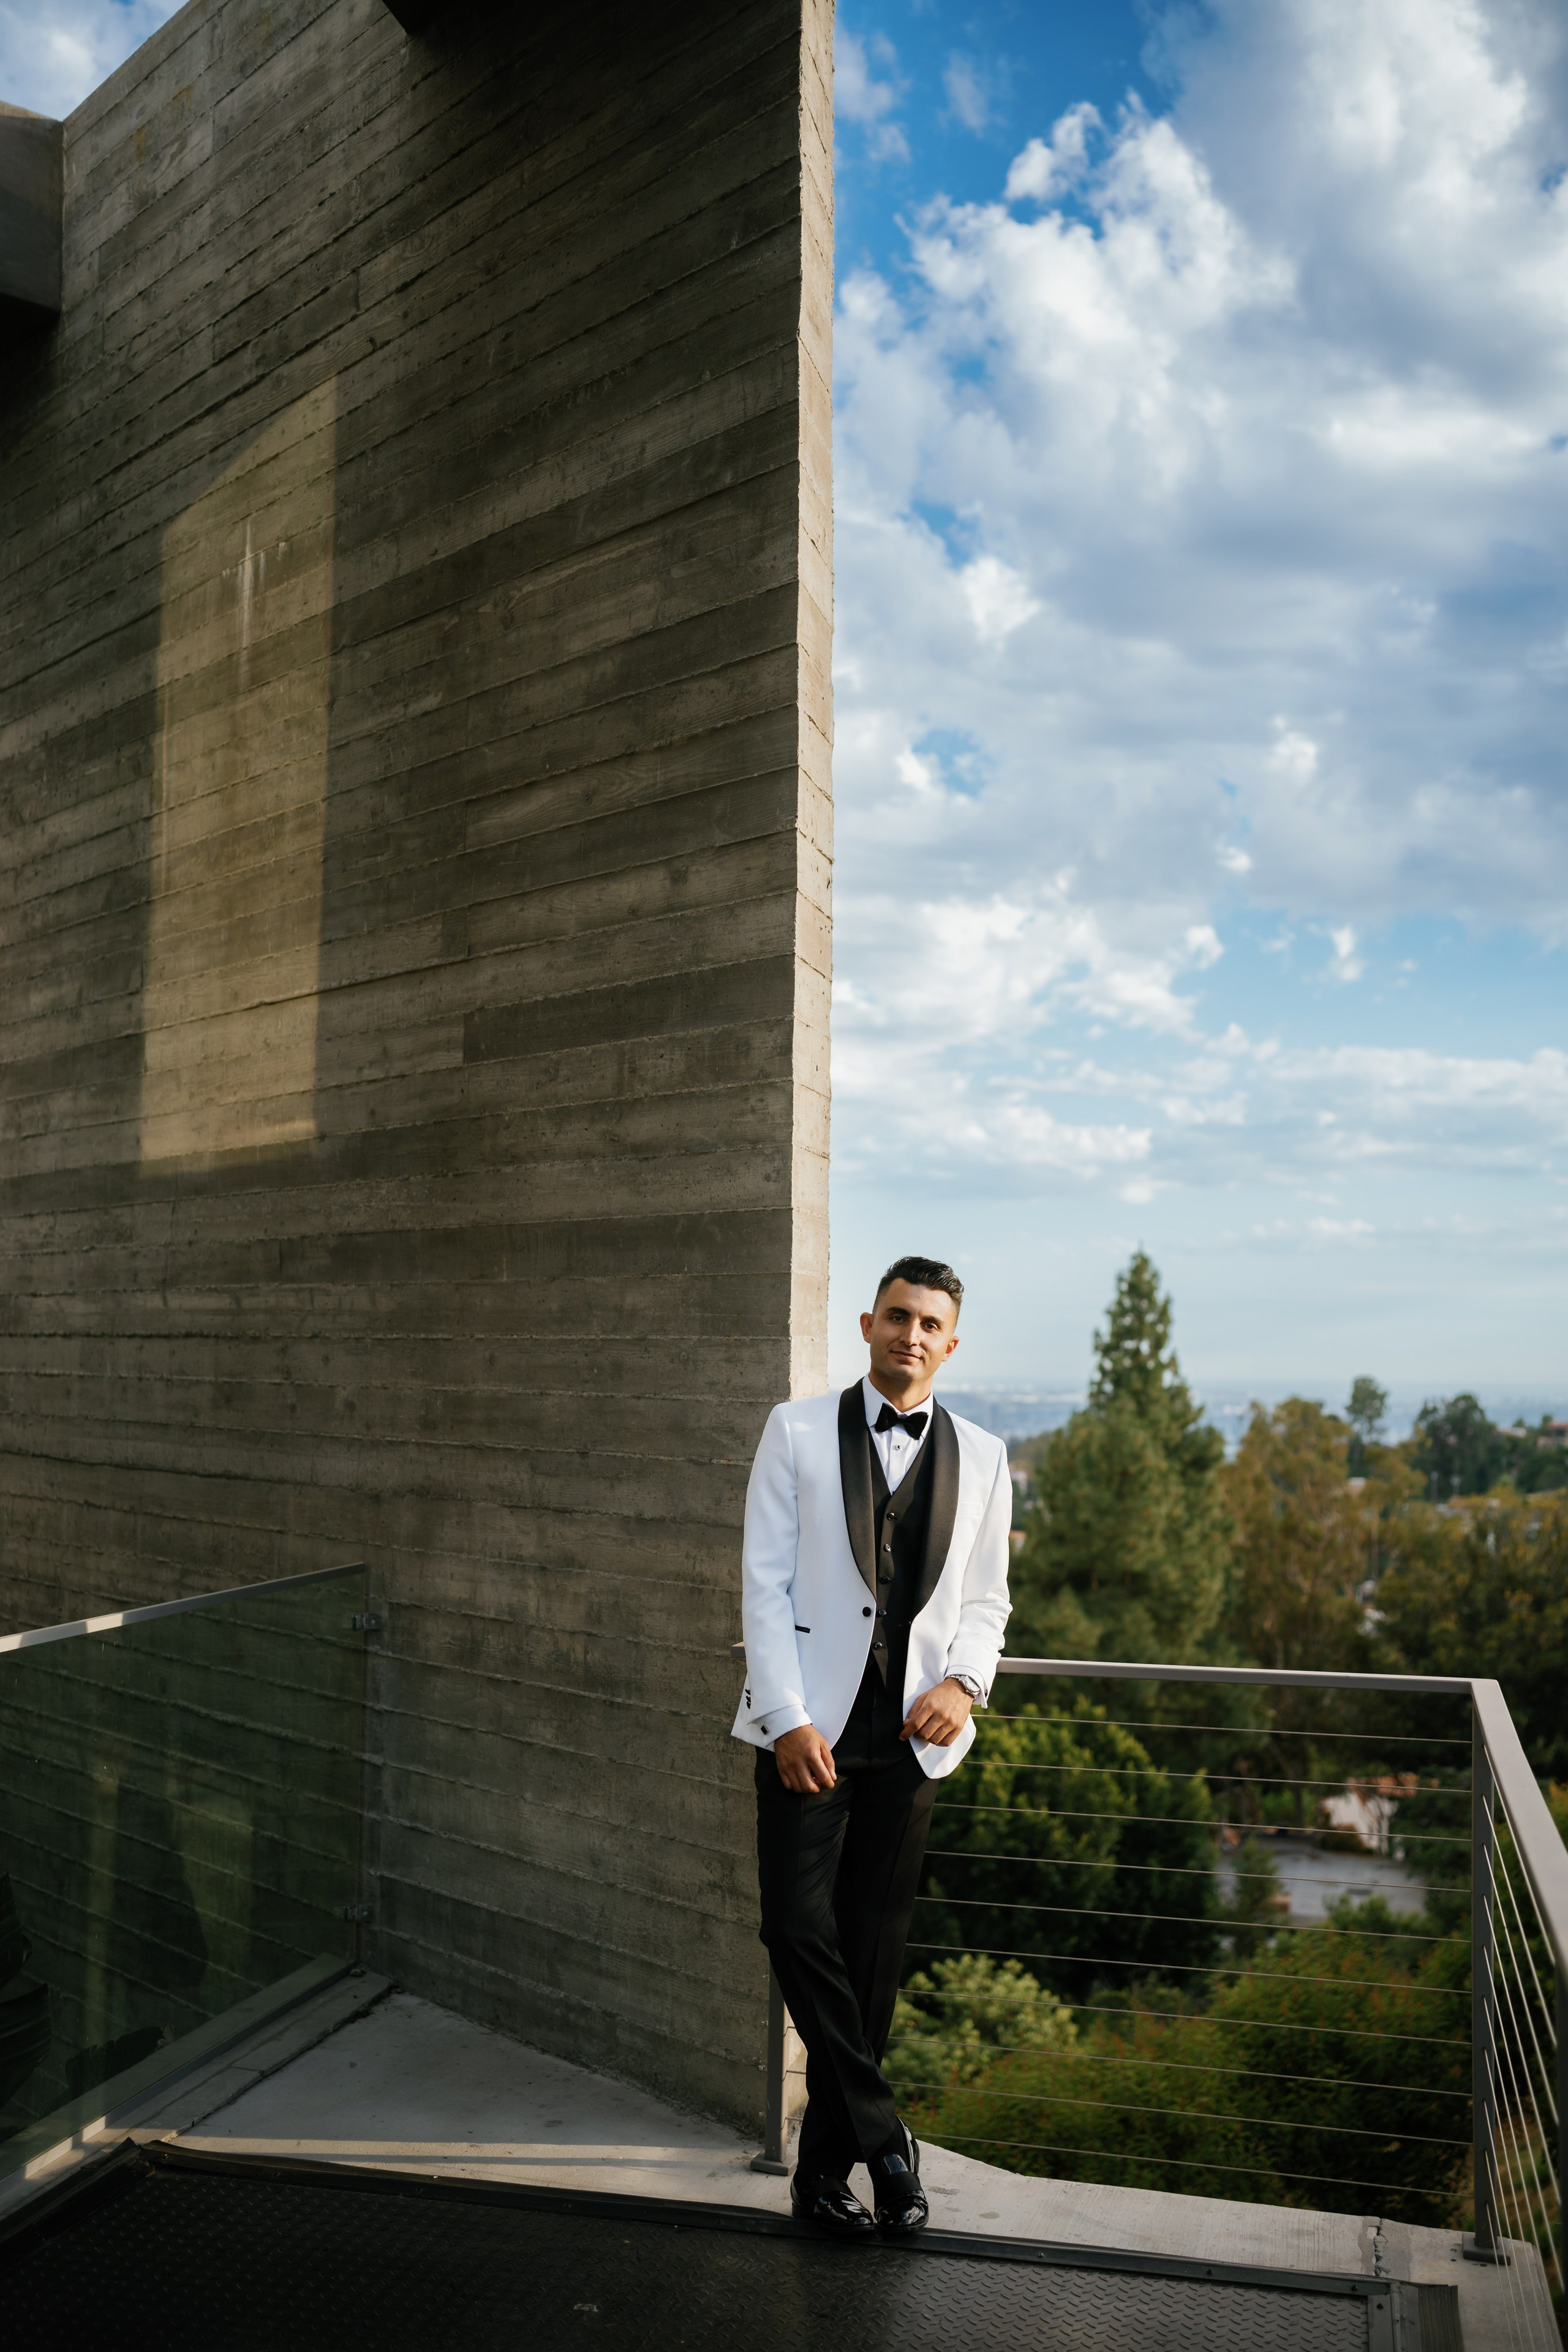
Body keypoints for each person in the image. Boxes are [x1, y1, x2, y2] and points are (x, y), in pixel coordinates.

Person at [732, 1255, 1012, 2238]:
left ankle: (823, 2180)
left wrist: (965, 1682)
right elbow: (762, 1586)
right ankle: (886, 2136)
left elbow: (987, 1601)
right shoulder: (795, 1429)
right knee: (794, 1927)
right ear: (867, 1323)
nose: (913, 1336)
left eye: (932, 1324)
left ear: (952, 1342)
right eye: (898, 1317)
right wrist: (787, 1718)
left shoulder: (984, 1455)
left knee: (873, 1952)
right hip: (808, 1730)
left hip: (910, 1742)